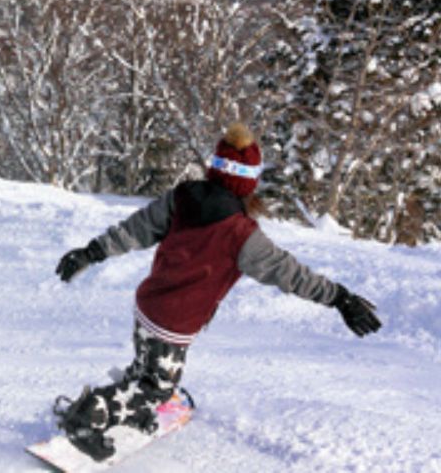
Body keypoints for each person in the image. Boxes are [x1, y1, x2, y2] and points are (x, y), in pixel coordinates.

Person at [52, 122, 382, 462]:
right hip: (174, 322)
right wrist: (338, 297)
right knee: (158, 388)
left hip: (148, 306)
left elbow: (136, 229)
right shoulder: (241, 234)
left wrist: (92, 251)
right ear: (248, 182)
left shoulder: (182, 197)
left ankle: (131, 410)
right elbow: (289, 273)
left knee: (145, 367)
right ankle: (89, 418)